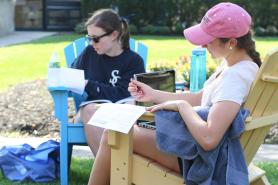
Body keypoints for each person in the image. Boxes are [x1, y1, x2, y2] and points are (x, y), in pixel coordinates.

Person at [87, 2, 261, 185]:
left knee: (113, 135)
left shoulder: (236, 77)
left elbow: (209, 138)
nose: (203, 45)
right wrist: (153, 94)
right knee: (118, 132)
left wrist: (181, 106)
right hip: (198, 151)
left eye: (208, 40)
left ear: (232, 42)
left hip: (200, 158)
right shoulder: (235, 65)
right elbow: (199, 98)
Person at [71, 9, 145, 155]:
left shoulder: (133, 61)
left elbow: (122, 94)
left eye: (96, 39)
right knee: (90, 109)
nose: (92, 43)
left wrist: (90, 85)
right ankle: (109, 171)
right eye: (89, 38)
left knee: (132, 105)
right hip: (92, 110)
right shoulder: (88, 54)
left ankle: (122, 167)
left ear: (114, 35)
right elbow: (71, 76)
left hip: (121, 107)